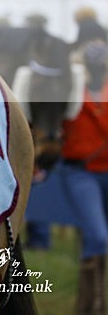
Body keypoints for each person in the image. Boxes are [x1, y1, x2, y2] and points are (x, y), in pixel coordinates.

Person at [60, 35, 108, 315]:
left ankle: (89, 306)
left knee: (94, 238)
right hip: (81, 173)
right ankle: (97, 304)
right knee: (99, 236)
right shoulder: (72, 89)